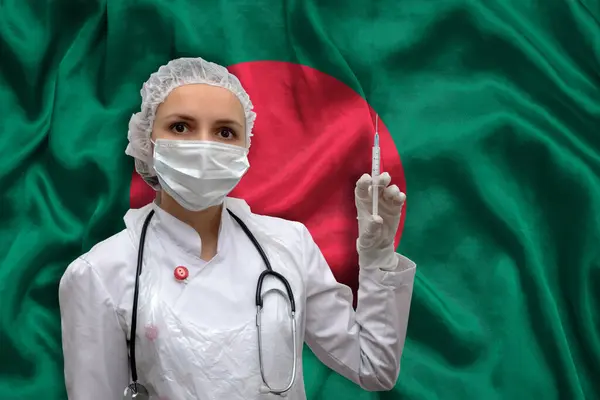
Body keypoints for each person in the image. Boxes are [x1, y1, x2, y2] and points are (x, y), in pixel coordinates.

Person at [58, 57, 416, 400]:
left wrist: (378, 259)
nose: (204, 145)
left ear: (245, 148)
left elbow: (373, 368)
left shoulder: (288, 245)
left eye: (225, 132)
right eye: (180, 127)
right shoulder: (100, 274)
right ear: (147, 141)